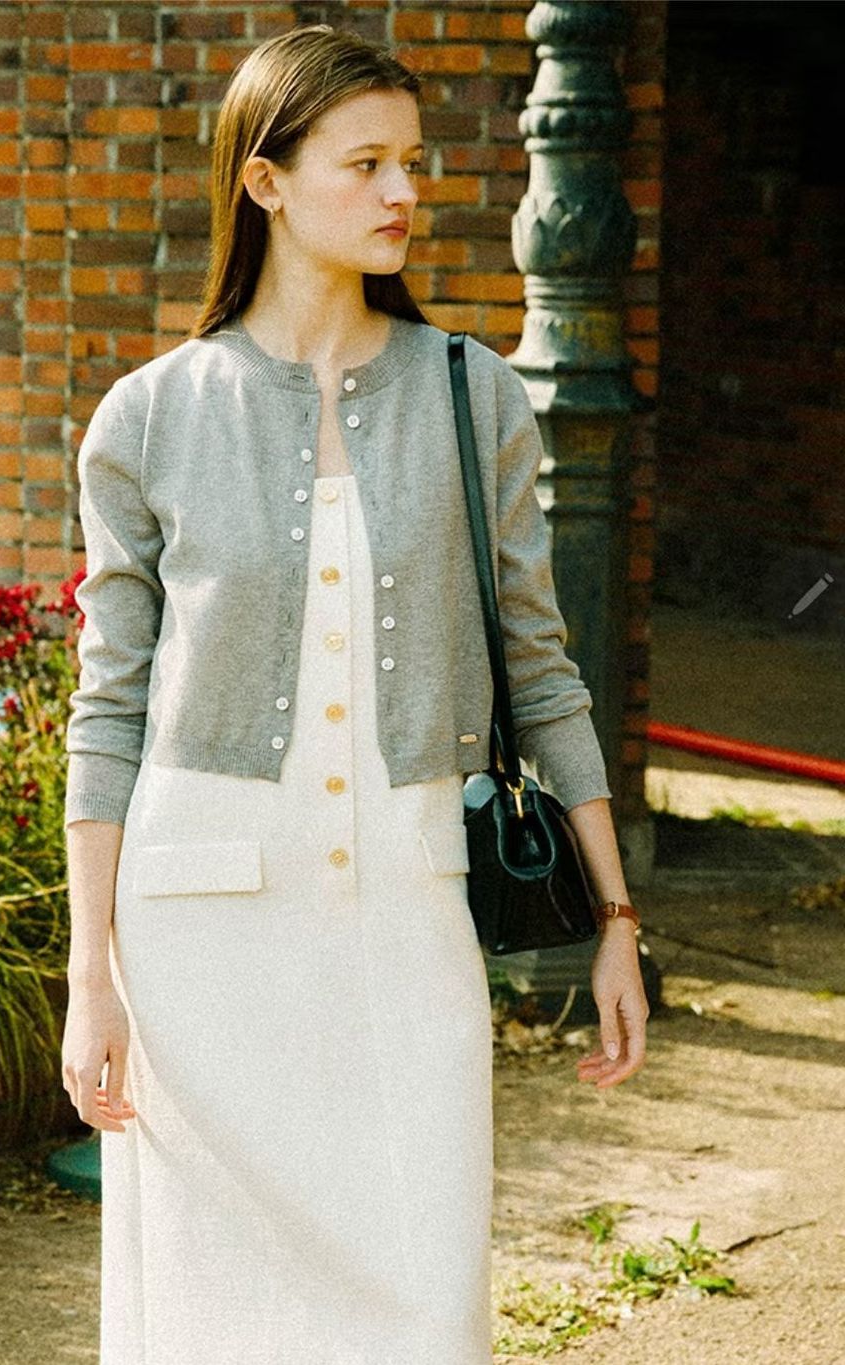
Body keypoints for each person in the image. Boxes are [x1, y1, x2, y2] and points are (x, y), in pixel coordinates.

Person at [61, 22, 649, 1365]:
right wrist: (91, 975)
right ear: (265, 181)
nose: (404, 193)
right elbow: (107, 715)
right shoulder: (147, 418)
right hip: (199, 927)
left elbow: (544, 670)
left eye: (414, 162)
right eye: (366, 162)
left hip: (405, 899)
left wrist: (615, 918)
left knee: (425, 1288)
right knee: (211, 1308)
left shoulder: (475, 397)